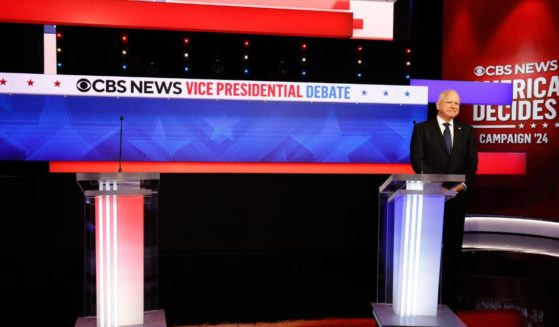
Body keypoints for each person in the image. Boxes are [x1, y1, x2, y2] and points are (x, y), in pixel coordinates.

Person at [410, 89, 478, 310]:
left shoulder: (467, 130)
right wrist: (436, 186)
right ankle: (426, 290)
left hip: (457, 197)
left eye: (457, 103)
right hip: (431, 196)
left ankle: (450, 292)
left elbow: (472, 164)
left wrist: (459, 187)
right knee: (429, 247)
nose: (454, 106)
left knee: (452, 247)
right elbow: (417, 160)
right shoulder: (422, 129)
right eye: (449, 102)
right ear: (438, 105)